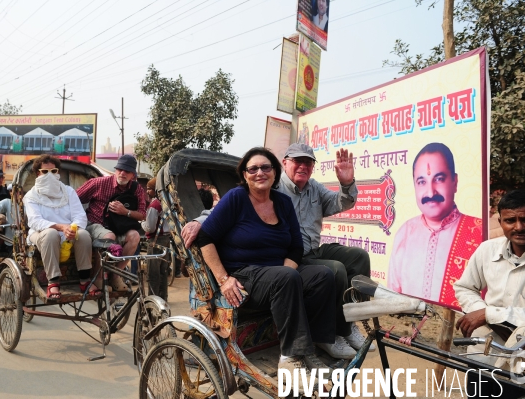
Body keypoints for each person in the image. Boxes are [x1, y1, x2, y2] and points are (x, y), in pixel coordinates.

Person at [183, 143, 371, 357]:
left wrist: (346, 184)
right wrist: (199, 222)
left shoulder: (304, 192)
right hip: (264, 266)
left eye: (308, 162)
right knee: (335, 270)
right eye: (297, 161)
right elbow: (221, 211)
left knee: (358, 257)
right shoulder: (269, 187)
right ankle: (308, 348)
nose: (302, 166)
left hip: (302, 253)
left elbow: (339, 204)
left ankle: (347, 324)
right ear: (284, 164)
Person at [195, 147, 336, 375]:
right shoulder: (236, 198)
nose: (259, 172)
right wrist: (223, 279)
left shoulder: (282, 202)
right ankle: (290, 357)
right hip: (243, 276)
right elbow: (205, 238)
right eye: (253, 168)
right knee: (286, 277)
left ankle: (316, 344)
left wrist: (288, 277)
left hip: (276, 275)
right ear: (244, 175)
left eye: (265, 167)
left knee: (323, 275)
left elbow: (296, 246)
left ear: (274, 172)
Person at [454, 190, 525, 395]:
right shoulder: (487, 250)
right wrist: (483, 314)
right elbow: (465, 287)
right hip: (484, 351)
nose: (519, 227)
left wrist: (489, 315)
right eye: (510, 220)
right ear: (500, 221)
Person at [388, 142, 483, 306]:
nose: (430, 192)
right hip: (409, 329)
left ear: (455, 181)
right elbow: (392, 297)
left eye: (439, 179)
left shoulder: (479, 232)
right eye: (422, 182)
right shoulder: (404, 233)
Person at [23, 155, 96, 300]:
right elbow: (35, 221)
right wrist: (61, 227)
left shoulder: (68, 191)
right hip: (40, 233)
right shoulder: (31, 196)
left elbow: (80, 215)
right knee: (51, 234)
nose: (49, 175)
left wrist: (72, 228)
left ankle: (84, 280)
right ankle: (53, 282)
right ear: (38, 173)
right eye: (45, 172)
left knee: (84, 235)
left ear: (58, 173)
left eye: (53, 171)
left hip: (68, 231)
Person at [76, 154, 146, 292]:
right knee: (109, 237)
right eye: (120, 169)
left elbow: (142, 214)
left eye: (127, 171)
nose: (122, 173)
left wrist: (125, 211)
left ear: (133, 175)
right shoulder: (99, 183)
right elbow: (73, 199)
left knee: (135, 236)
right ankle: (99, 277)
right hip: (95, 224)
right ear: (115, 170)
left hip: (119, 227)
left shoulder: (137, 189)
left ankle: (115, 274)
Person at [141, 177, 170, 301]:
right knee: (163, 271)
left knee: (153, 273)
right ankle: (163, 298)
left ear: (156, 190)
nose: (147, 191)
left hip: (155, 241)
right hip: (166, 239)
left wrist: (141, 223)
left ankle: (153, 299)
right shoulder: (166, 202)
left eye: (149, 189)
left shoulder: (154, 205)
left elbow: (150, 228)